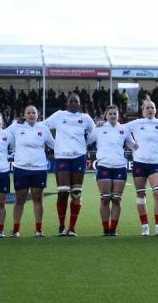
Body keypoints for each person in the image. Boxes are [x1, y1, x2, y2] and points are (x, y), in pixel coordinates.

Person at [44, 93, 95, 237]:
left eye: (76, 102)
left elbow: (94, 133)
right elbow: (43, 126)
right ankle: (61, 225)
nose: (73, 104)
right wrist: (53, 144)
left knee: (76, 193)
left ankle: (72, 228)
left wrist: (84, 144)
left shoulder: (85, 118)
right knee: (63, 192)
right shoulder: (59, 115)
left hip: (79, 157)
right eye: (71, 101)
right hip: (62, 157)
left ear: (79, 104)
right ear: (67, 103)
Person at [88, 105, 136, 236]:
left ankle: (113, 229)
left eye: (115, 113)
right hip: (104, 166)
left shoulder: (124, 129)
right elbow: (86, 141)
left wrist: (141, 144)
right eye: (110, 114)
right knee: (105, 199)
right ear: (106, 115)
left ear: (118, 115)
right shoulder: (99, 128)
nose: (113, 116)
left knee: (116, 199)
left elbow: (132, 145)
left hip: (120, 167)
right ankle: (105, 229)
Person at [8, 105, 55, 237]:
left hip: (39, 168)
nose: (31, 115)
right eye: (28, 112)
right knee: (19, 199)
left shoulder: (43, 128)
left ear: (38, 114)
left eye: (33, 112)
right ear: (24, 115)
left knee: (38, 199)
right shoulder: (16, 126)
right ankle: (16, 229)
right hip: (21, 168)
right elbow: (2, 134)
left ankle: (39, 229)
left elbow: (54, 144)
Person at [127, 97, 158, 236]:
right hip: (139, 162)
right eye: (147, 108)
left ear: (155, 110)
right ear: (143, 110)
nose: (150, 110)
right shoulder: (136, 123)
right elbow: (120, 131)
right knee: (141, 194)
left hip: (155, 163)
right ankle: (145, 226)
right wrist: (132, 144)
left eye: (152, 107)